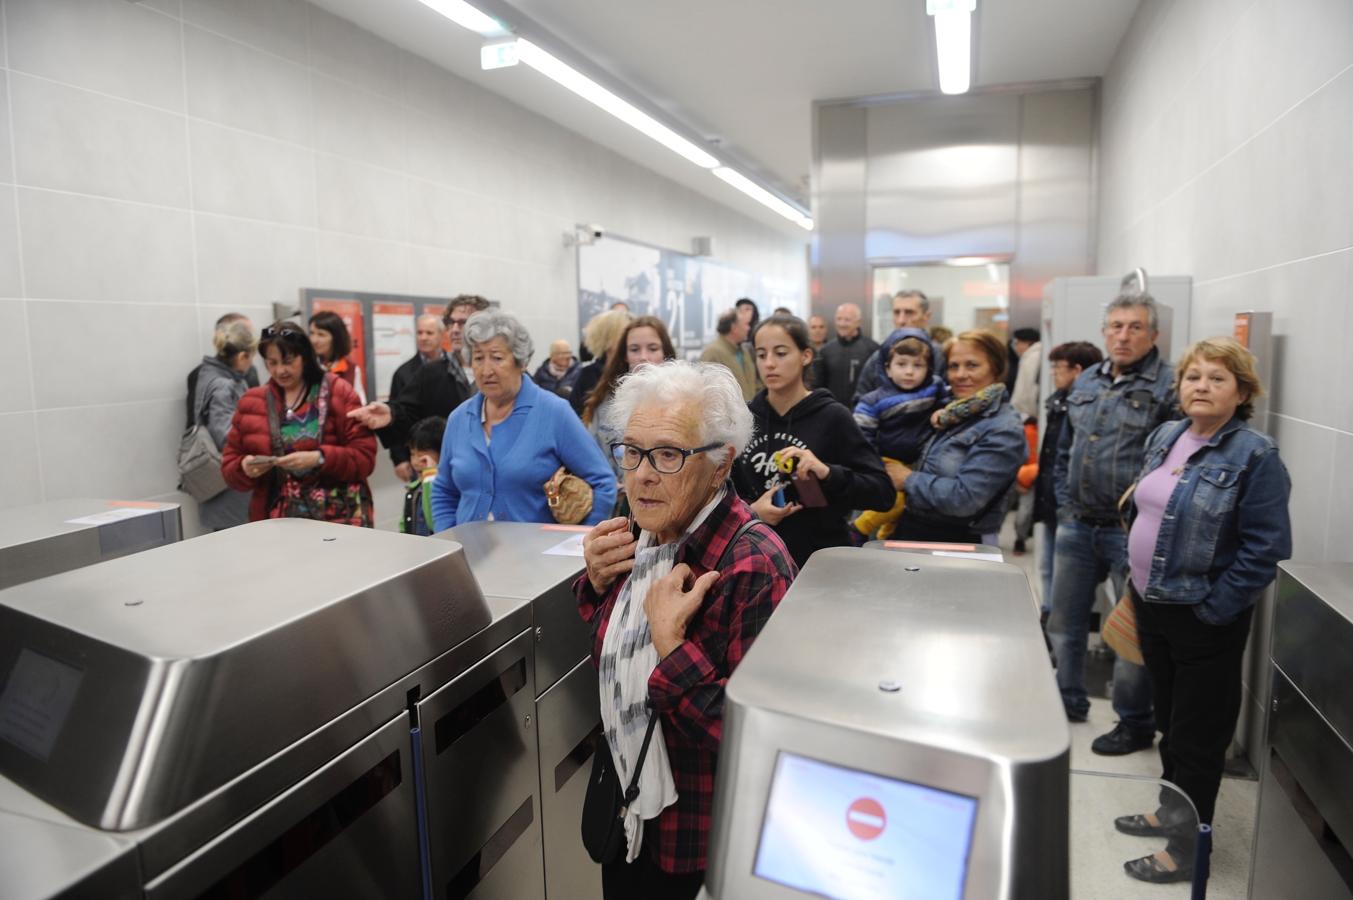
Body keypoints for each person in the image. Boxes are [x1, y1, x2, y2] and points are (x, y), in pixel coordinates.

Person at [576, 360, 796, 897]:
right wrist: (598, 584)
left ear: (721, 464)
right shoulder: (644, 533)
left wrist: (673, 647)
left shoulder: (752, 563)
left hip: (696, 840)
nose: (643, 475)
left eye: (669, 454)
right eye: (631, 451)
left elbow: (759, 740)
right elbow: (615, 649)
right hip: (631, 814)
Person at [1114, 338, 1291, 884]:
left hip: (1201, 615)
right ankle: (1173, 810)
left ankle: (1188, 849)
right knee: (1169, 720)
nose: (1202, 387)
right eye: (1194, 376)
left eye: (1218, 379)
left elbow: (1267, 547)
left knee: (1197, 735)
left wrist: (1216, 609)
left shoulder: (1255, 455)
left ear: (1242, 392)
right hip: (1152, 602)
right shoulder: (1168, 435)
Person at [1049, 292, 1178, 754]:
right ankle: (1066, 700)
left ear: (1154, 335)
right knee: (1065, 620)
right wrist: (1065, 505)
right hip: (1078, 523)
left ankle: (1134, 722)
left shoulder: (1169, 387)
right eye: (1116, 326)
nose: (1123, 336)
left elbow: (1176, 463)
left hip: (1133, 531)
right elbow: (1065, 450)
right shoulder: (1086, 383)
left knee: (1131, 631)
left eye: (1135, 327)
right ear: (1104, 332)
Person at [732, 314, 893, 568]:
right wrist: (752, 513)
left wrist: (828, 473)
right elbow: (726, 492)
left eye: (781, 353)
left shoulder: (832, 416)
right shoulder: (745, 418)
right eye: (761, 355)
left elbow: (882, 494)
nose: (769, 363)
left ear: (806, 356)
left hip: (820, 561)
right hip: (758, 561)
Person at [430, 310, 615, 527]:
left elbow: (604, 483)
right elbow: (443, 491)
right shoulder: (459, 419)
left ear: (521, 362)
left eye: (497, 358)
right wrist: (450, 542)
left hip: (536, 558)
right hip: (469, 556)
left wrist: (578, 544)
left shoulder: (554, 412)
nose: (486, 370)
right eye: (478, 358)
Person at [881, 330, 1026, 545]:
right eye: (953, 366)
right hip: (915, 530)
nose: (960, 374)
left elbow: (965, 499)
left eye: (972, 365)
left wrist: (907, 479)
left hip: (961, 543)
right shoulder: (949, 410)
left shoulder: (1003, 428)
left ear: (995, 368)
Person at [222, 322, 376, 524]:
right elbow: (229, 467)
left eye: (288, 361)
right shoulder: (253, 401)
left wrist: (320, 458)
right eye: (272, 363)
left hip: (340, 517)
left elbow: (364, 458)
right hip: (280, 521)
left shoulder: (338, 392)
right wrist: (244, 467)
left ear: (305, 356)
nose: (280, 371)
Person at [346, 294, 486, 460]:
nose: (455, 329)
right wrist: (391, 414)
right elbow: (408, 412)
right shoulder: (431, 372)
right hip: (447, 466)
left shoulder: (501, 372)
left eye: (462, 322)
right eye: (451, 323)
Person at [850, 329, 947, 540]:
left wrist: (943, 412)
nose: (910, 372)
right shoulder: (873, 399)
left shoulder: (935, 388)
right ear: (888, 368)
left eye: (918, 365)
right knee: (896, 502)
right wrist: (874, 465)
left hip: (917, 463)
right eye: (901, 364)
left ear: (929, 368)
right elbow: (861, 434)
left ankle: (885, 541)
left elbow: (948, 404)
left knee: (902, 513)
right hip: (886, 460)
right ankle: (858, 529)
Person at [1033, 342, 1103, 614]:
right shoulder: (1058, 402)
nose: (1052, 373)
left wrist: (1064, 503)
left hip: (1071, 507)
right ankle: (1048, 615)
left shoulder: (1085, 408)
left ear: (1078, 370)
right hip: (1054, 501)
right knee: (1048, 566)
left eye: (1057, 367)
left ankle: (1054, 616)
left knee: (1064, 574)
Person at [583, 316, 679, 503]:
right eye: (635, 349)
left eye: (652, 348)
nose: (643, 356)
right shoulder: (604, 405)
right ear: (625, 355)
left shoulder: (686, 404)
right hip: (618, 507)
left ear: (665, 353)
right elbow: (589, 458)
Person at [191, 319, 257, 531]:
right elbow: (225, 435)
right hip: (229, 488)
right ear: (242, 356)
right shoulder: (223, 385)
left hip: (226, 485)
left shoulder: (211, 374)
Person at [387, 313, 447, 481]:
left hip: (449, 451)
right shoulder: (403, 374)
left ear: (442, 335)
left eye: (429, 333)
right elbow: (395, 417)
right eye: (420, 333)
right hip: (418, 455)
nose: (423, 338)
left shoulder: (454, 370)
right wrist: (399, 458)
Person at [853, 290, 932, 403]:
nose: (901, 320)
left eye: (909, 312)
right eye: (896, 313)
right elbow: (860, 400)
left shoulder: (937, 354)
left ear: (926, 316)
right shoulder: (879, 356)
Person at [187, 313, 258, 427]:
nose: (251, 337)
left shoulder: (248, 373)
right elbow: (195, 426)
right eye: (244, 332)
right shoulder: (211, 380)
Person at [1008, 327, 1043, 553]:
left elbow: (1025, 397)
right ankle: (1020, 535)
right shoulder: (1036, 356)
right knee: (1027, 494)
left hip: (1027, 428)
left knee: (1017, 490)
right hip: (1033, 431)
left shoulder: (1031, 358)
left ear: (1024, 343)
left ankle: (1020, 535)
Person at [571, 308, 633, 415]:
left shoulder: (635, 369)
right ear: (608, 336)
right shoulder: (588, 374)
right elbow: (575, 415)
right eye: (624, 334)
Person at [817, 302, 877, 405]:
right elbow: (819, 386)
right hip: (833, 411)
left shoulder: (872, 349)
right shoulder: (826, 351)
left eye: (847, 320)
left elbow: (876, 384)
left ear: (858, 322)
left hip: (863, 411)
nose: (842, 324)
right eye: (839, 319)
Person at [400, 416, 445, 537]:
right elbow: (405, 523)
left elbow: (433, 520)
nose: (415, 462)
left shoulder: (446, 488)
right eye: (412, 454)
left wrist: (430, 474)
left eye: (423, 457)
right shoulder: (413, 489)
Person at [308, 310, 366, 404]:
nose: (314, 340)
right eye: (312, 333)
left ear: (336, 338)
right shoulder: (305, 366)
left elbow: (359, 404)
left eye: (321, 334)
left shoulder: (351, 369)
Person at [699, 309, 756, 401]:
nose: (748, 328)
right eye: (746, 324)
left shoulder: (744, 351)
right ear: (734, 328)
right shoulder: (712, 353)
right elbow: (708, 393)